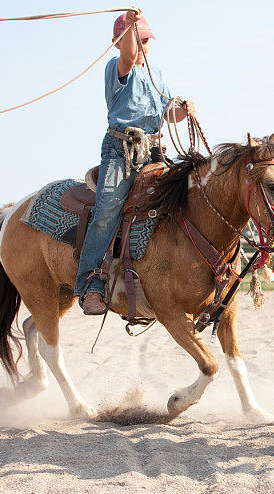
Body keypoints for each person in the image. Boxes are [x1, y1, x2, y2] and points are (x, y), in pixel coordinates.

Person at [75, 8, 196, 315]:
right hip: (121, 151)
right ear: (118, 42)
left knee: (185, 197)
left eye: (146, 39)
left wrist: (185, 109)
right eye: (137, 38)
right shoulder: (116, 65)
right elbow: (129, 59)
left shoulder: (158, 76)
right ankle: (92, 283)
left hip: (154, 151)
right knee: (107, 211)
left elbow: (171, 114)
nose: (143, 44)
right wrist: (130, 26)